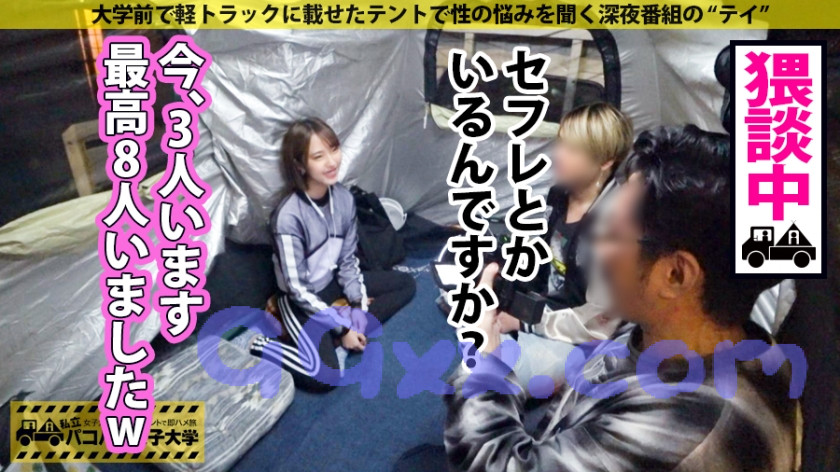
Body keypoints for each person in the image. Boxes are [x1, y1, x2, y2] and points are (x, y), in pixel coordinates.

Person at [444, 125, 798, 471]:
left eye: (613, 233)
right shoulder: (674, 330)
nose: (597, 247)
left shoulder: (686, 438)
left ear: (676, 274)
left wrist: (484, 361)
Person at [251, 117, 416, 392]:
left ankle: (336, 333)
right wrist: (343, 328)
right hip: (298, 300)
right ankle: (264, 346)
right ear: (300, 165)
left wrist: (359, 313)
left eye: (334, 149)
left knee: (405, 284)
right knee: (326, 377)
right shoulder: (288, 217)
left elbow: (348, 262)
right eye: (318, 156)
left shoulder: (344, 199)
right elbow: (297, 289)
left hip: (331, 284)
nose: (332, 162)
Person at [500, 102, 634, 384]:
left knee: (492, 375)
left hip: (582, 337)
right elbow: (546, 259)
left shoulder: (615, 225)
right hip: (546, 308)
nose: (557, 155)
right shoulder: (560, 194)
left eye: (573, 150)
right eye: (560, 143)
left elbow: (597, 323)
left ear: (605, 161)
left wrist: (526, 322)